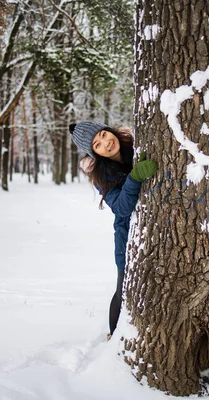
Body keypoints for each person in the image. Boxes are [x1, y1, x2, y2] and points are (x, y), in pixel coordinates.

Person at [69, 121, 158, 337]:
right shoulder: (101, 175)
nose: (106, 143)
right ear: (95, 153)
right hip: (128, 234)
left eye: (103, 135)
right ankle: (114, 334)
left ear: (109, 130)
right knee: (124, 288)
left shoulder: (135, 144)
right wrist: (134, 177)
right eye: (97, 145)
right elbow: (121, 207)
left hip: (156, 229)